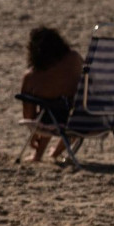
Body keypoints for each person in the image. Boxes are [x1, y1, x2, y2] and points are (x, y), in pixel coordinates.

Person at [20, 26, 84, 163]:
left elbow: (28, 112)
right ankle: (56, 152)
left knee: (49, 110)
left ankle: (38, 155)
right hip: (84, 118)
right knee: (62, 108)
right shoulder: (75, 58)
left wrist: (33, 133)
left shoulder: (32, 76)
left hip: (52, 120)